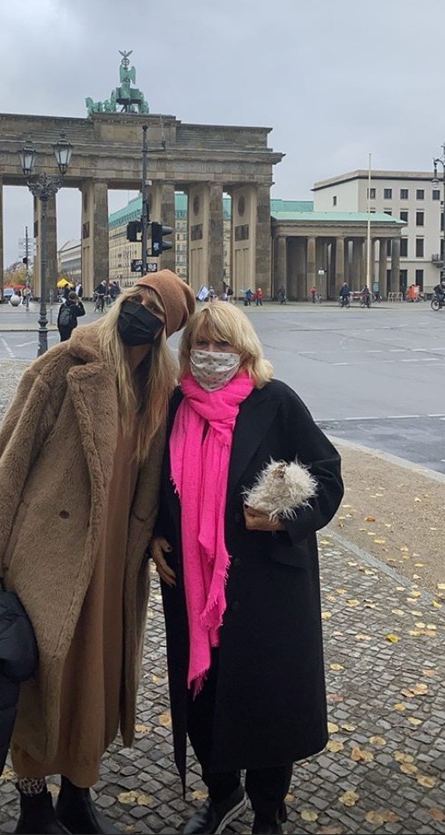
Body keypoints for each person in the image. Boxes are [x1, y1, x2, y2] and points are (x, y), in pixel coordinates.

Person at [0, 269, 196, 835]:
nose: (139, 308)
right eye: (136, 296)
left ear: (165, 330)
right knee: (37, 674)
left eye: (154, 307)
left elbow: (159, 482)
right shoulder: (64, 367)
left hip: (113, 559)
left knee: (93, 678)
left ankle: (76, 792)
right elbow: (11, 458)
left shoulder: (158, 394)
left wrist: (154, 539)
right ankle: (32, 806)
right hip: (47, 551)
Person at [151, 302, 343, 835]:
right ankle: (222, 793)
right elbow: (156, 484)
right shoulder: (176, 405)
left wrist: (282, 520)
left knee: (264, 699)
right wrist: (154, 535)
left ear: (245, 350)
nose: (211, 356)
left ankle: (267, 809)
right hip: (193, 584)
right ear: (187, 353)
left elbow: (327, 476)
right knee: (204, 694)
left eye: (223, 345)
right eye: (201, 346)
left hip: (265, 584)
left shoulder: (275, 402)